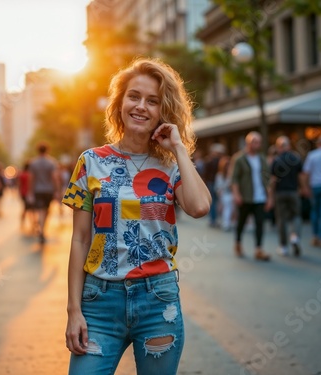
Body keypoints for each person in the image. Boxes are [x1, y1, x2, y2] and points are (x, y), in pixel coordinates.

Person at [62, 58, 211, 375]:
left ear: (162, 111)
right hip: (99, 300)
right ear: (119, 103)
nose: (141, 106)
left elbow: (199, 207)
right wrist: (74, 310)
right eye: (134, 96)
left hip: (157, 300)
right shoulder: (91, 161)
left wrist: (179, 149)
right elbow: (80, 239)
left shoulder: (171, 166)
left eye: (153, 101)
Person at [231, 131, 271, 260]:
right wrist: (237, 194)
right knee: (241, 222)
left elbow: (267, 178)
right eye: (255, 142)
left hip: (260, 197)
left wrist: (270, 197)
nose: (257, 144)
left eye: (259, 142)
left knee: (260, 222)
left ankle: (258, 249)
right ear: (248, 143)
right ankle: (238, 243)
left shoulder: (262, 158)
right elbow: (234, 178)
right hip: (246, 196)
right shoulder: (239, 159)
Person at [269, 136, 304, 256]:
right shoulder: (295, 158)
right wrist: (303, 188)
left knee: (281, 219)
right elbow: (301, 176)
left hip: (280, 193)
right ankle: (294, 235)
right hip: (293, 191)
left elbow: (273, 180)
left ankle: (283, 246)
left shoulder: (276, 160)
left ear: (279, 147)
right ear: (288, 146)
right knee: (296, 215)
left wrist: (271, 196)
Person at [27, 142, 60, 244]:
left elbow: (31, 178)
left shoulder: (33, 163)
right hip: (48, 190)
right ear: (47, 150)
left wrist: (30, 192)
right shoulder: (52, 162)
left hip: (37, 190)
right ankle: (42, 229)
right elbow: (54, 177)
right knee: (46, 210)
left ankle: (41, 229)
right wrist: (57, 190)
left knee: (40, 210)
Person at [203, 143, 225, 227]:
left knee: (214, 202)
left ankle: (213, 219)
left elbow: (205, 174)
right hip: (215, 183)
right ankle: (214, 219)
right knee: (215, 202)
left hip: (212, 182)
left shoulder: (210, 160)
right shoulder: (218, 161)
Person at [215, 155, 234, 231]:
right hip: (223, 194)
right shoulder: (219, 175)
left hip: (230, 194)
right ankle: (226, 223)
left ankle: (227, 222)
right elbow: (218, 187)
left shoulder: (231, 175)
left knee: (229, 208)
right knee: (227, 207)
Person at [18, 161, 34, 229]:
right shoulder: (30, 174)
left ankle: (23, 223)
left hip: (23, 193)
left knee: (26, 208)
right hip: (29, 193)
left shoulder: (22, 174)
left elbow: (19, 184)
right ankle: (31, 223)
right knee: (30, 209)